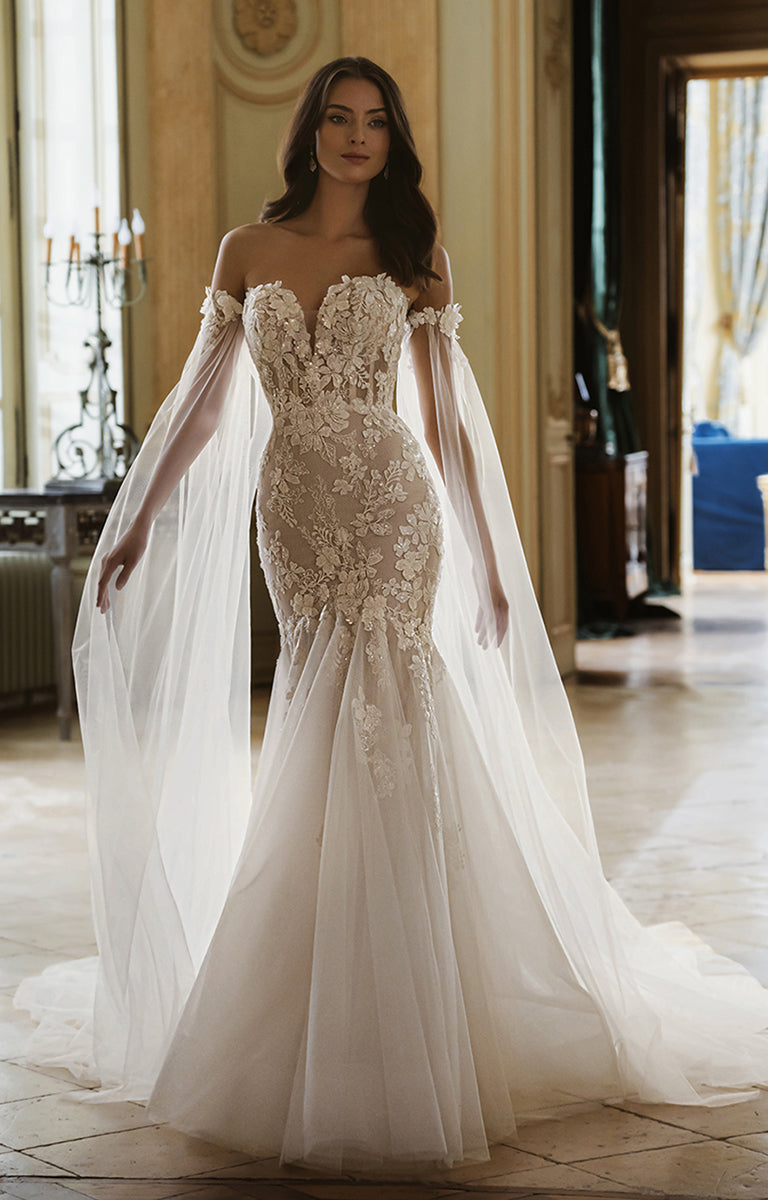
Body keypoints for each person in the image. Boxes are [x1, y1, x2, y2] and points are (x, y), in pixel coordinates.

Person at [15, 56, 768, 1174]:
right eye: (339, 117)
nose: (357, 137)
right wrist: (135, 524)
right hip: (297, 518)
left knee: (386, 722)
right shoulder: (247, 251)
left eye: (375, 122)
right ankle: (319, 981)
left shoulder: (414, 256)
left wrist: (494, 565)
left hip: (391, 508)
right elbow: (201, 403)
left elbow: (450, 426)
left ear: (392, 139)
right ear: (310, 130)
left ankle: (418, 999)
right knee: (314, 731)